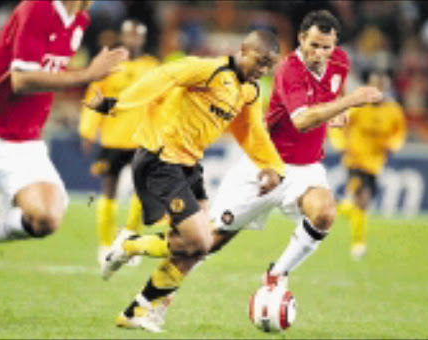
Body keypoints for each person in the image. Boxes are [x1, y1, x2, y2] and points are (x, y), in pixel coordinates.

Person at [95, 11, 383, 333]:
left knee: (325, 213)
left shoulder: (337, 64)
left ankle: (276, 275)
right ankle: (133, 251)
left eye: (326, 47)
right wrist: (350, 102)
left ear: (336, 46)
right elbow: (300, 120)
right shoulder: (287, 69)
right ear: (301, 39)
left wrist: (336, 110)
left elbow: (324, 100)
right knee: (205, 243)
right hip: (262, 165)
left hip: (304, 169)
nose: (320, 54)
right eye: (313, 45)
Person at [84, 30, 285, 332]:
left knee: (198, 250)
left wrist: (271, 166)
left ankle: (136, 310)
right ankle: (129, 246)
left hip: (189, 166)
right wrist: (116, 104)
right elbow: (164, 76)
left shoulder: (249, 92)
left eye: (270, 65)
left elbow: (253, 131)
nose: (263, 69)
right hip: (160, 159)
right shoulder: (210, 70)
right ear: (243, 49)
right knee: (198, 240)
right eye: (261, 60)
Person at [0, 0, 128, 242]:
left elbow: (50, 75)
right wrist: (87, 75)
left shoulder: (80, 19)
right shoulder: (37, 8)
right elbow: (22, 80)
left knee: (46, 219)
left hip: (25, 143)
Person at [79, 19, 160, 266]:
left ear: (143, 39)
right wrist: (87, 130)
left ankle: (129, 244)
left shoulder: (153, 67)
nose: (133, 39)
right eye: (128, 35)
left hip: (141, 141)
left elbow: (162, 102)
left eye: (137, 36)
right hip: (112, 139)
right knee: (109, 189)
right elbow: (94, 97)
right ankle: (105, 245)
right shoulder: (110, 66)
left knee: (140, 192)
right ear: (122, 37)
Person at [330, 69, 406, 259]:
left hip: (375, 163)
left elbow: (398, 133)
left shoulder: (393, 110)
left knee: (359, 205)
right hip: (355, 160)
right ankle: (358, 244)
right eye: (375, 85)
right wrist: (340, 144)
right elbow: (338, 125)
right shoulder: (357, 105)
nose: (378, 89)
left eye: (382, 86)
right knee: (362, 200)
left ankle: (330, 206)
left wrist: (394, 145)